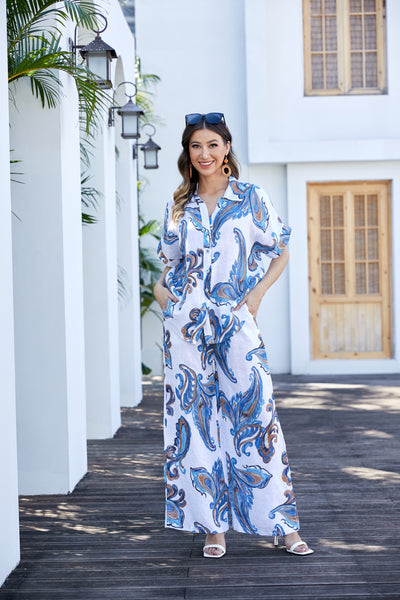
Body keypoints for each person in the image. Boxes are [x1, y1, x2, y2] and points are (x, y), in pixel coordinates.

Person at [154, 112, 313, 558]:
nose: (204, 154)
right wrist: (165, 299)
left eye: (212, 144)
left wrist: (257, 295)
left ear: (226, 148)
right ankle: (213, 528)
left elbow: (280, 249)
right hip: (186, 330)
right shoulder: (179, 206)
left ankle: (283, 525)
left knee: (257, 419)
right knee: (194, 424)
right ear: (187, 153)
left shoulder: (251, 197)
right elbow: (168, 267)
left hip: (236, 324)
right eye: (195, 146)